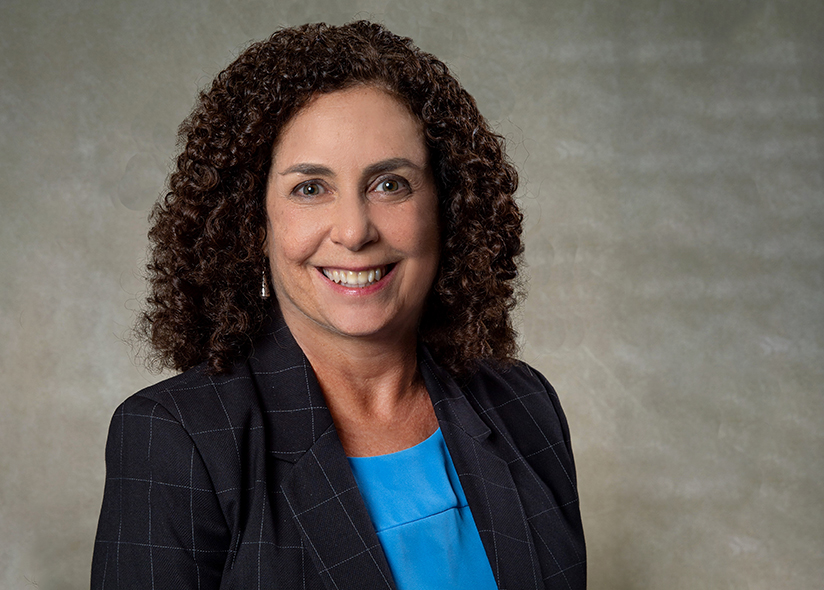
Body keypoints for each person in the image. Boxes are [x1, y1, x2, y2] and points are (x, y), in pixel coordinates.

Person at [91, 21, 585, 590]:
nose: (354, 231)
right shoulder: (178, 440)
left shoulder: (524, 405)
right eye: (310, 188)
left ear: (446, 207)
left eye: (390, 184)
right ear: (253, 223)